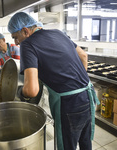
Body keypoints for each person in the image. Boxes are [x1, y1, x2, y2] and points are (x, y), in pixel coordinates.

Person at [8, 12, 99, 150]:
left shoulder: (27, 44)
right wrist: (76, 83)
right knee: (86, 143)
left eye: (15, 37)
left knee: (68, 146)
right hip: (88, 96)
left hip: (69, 105)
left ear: (25, 31)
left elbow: (32, 90)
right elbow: (83, 56)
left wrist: (19, 92)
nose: (15, 43)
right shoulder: (58, 33)